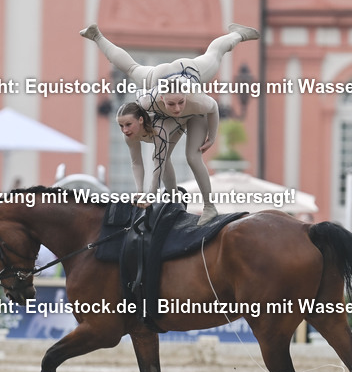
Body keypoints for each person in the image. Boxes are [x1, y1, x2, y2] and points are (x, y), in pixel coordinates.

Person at [83, 23, 259, 225]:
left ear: (186, 96)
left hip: (191, 71)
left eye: (180, 103)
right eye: (171, 104)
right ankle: (96, 36)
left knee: (193, 155)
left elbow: (214, 109)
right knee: (132, 69)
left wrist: (212, 136)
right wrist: (145, 193)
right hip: (157, 76)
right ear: (160, 101)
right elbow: (156, 158)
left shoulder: (196, 99)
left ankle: (209, 206)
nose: (176, 109)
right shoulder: (147, 101)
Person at [80, 22, 259, 90]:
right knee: (131, 67)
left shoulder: (152, 109)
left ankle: (97, 36)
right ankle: (238, 34)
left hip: (159, 77)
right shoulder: (151, 108)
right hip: (181, 74)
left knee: (131, 67)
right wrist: (210, 135)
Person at [117, 101, 181, 193]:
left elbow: (160, 165)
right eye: (121, 126)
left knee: (160, 158)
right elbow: (136, 163)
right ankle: (174, 196)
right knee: (158, 157)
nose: (125, 130)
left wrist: (151, 194)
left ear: (141, 120)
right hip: (169, 128)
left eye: (128, 124)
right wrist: (140, 191)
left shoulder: (158, 130)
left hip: (186, 121)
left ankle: (175, 196)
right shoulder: (128, 136)